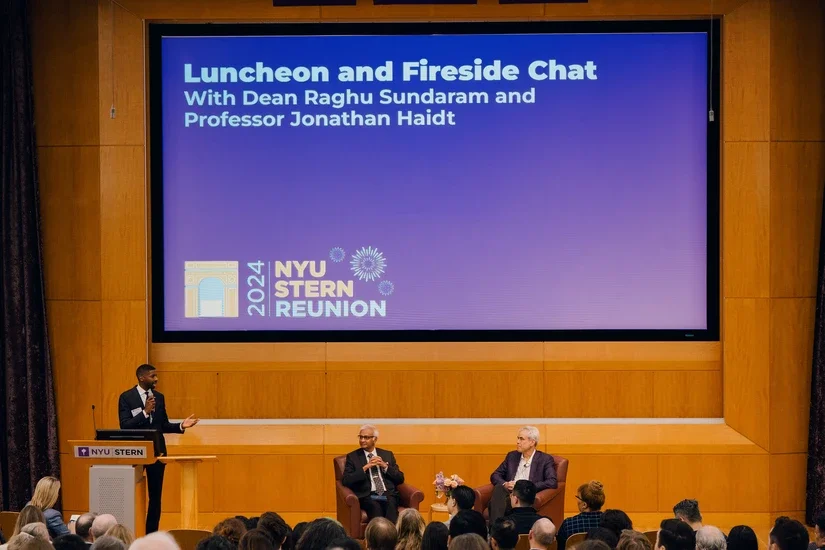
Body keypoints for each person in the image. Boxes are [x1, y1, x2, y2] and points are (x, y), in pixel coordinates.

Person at [118, 363, 199, 533]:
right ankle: (128, 532)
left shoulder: (159, 397)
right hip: (135, 452)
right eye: (153, 376)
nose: (156, 379)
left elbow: (162, 425)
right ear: (142, 377)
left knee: (155, 498)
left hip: (157, 452)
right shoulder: (126, 397)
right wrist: (145, 412)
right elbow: (124, 426)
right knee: (131, 495)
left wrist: (181, 426)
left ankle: (151, 534)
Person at [489, 426, 557, 522]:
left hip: (526, 495)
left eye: (521, 439)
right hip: (510, 494)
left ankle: (495, 530)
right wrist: (506, 484)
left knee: (495, 503)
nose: (517, 442)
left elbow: (552, 481)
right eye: (518, 438)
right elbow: (495, 475)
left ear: (532, 442)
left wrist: (526, 487)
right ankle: (497, 528)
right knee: (499, 489)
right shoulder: (512, 456)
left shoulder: (545, 459)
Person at [341, 425, 405, 522]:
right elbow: (346, 480)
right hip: (368, 495)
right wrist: (366, 467)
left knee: (390, 504)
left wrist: (385, 466)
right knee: (375, 507)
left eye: (366, 437)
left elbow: (400, 478)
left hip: (387, 493)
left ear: (374, 439)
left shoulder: (387, 455)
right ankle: (377, 536)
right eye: (360, 437)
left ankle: (391, 535)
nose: (362, 440)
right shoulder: (353, 457)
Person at [556, 481, 605, 550]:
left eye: (578, 497)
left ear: (584, 505)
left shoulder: (568, 524)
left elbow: (560, 547)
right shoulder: (609, 523)